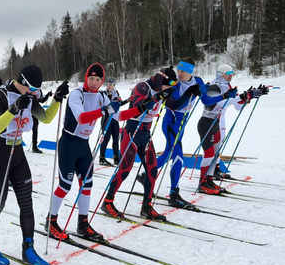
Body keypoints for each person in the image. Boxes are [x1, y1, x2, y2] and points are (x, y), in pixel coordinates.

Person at [45, 63, 146, 241]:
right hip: (68, 144)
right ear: (86, 78)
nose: (94, 82)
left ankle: (82, 223)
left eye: (98, 79)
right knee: (64, 186)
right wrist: (104, 110)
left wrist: (141, 108)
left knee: (87, 185)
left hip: (84, 146)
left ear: (101, 81)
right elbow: (82, 118)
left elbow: (119, 116)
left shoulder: (101, 96)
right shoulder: (77, 95)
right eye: (91, 78)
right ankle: (51, 221)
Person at [0, 65, 68, 265]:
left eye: (36, 91)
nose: (34, 94)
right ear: (22, 82)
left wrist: (57, 99)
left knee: (26, 202)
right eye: (31, 89)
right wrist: (13, 110)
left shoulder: (30, 97)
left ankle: (28, 248)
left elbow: (46, 118)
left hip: (18, 152)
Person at [101, 67, 179, 222]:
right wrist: (157, 97)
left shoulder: (162, 89)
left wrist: (191, 93)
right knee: (125, 169)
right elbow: (138, 107)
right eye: (168, 85)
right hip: (131, 133)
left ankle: (146, 207)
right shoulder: (143, 87)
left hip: (146, 135)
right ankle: (107, 202)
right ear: (160, 79)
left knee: (152, 169)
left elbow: (174, 105)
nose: (169, 88)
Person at [149, 58, 224, 207]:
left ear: (191, 71)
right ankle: (174, 194)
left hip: (182, 123)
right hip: (171, 123)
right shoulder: (174, 84)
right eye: (179, 70)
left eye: (183, 71)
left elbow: (206, 101)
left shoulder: (198, 81)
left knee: (167, 154)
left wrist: (224, 96)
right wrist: (191, 93)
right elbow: (175, 106)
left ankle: (146, 174)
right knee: (178, 157)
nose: (179, 73)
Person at [196, 64, 267, 194]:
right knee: (209, 155)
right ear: (220, 73)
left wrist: (250, 95)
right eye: (228, 73)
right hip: (207, 123)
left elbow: (237, 106)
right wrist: (241, 96)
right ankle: (202, 183)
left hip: (216, 123)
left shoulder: (227, 86)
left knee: (215, 155)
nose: (231, 75)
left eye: (232, 73)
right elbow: (218, 103)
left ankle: (210, 180)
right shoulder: (214, 86)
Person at [99, 78, 122, 166]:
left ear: (114, 85)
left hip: (114, 118)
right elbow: (101, 105)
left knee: (116, 138)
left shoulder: (116, 93)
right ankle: (102, 158)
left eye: (111, 84)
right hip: (106, 118)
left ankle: (116, 158)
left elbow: (118, 105)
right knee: (106, 138)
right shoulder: (103, 93)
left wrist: (127, 100)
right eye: (107, 84)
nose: (109, 86)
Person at [30, 88, 52, 153]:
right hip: (27, 110)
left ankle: (34, 147)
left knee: (35, 129)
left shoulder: (39, 90)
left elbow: (41, 100)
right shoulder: (30, 87)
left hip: (35, 111)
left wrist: (47, 95)